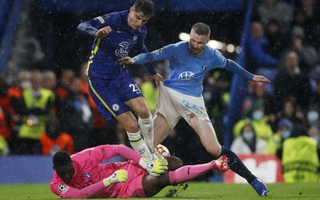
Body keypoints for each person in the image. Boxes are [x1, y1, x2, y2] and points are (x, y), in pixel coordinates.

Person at [120, 22, 270, 196]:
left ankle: (254, 180)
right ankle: (123, 184)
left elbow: (229, 64)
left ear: (207, 41)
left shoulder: (212, 55)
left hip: (193, 101)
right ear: (190, 36)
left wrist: (250, 76)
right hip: (170, 97)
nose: (194, 45)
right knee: (145, 148)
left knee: (214, 149)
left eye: (199, 42)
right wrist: (133, 59)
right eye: (192, 40)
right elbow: (151, 56)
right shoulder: (177, 48)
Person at [77, 0, 163, 161]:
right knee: (131, 126)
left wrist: (153, 73)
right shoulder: (114, 19)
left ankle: (152, 148)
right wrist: (96, 33)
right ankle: (148, 162)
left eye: (144, 21)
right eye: (137, 18)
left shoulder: (140, 31)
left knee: (144, 111)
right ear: (131, 10)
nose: (139, 23)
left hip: (120, 75)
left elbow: (142, 50)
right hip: (99, 79)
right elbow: (83, 25)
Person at [50, 144, 229, 198]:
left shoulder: (85, 157)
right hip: (123, 189)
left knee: (175, 162)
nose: (67, 175)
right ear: (54, 170)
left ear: (73, 164)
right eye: (63, 173)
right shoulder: (56, 185)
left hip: (125, 169)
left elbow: (119, 148)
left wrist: (145, 164)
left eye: (69, 171)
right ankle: (212, 164)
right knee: (159, 180)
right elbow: (77, 196)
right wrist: (110, 180)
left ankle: (214, 163)